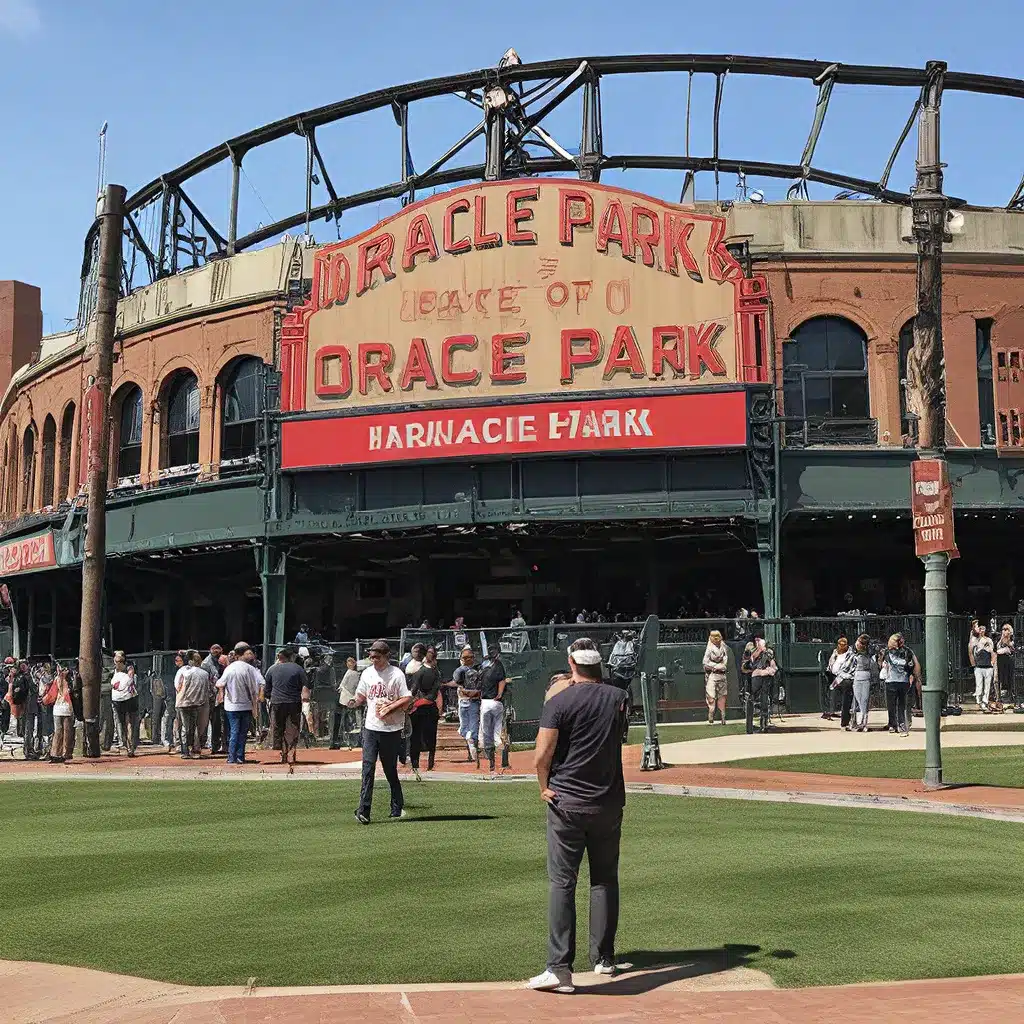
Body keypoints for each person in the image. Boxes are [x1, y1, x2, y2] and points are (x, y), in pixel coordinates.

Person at [529, 646, 627, 994]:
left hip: (567, 801)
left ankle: (559, 968)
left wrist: (543, 787)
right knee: (604, 879)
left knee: (562, 882)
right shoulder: (618, 697)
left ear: (572, 664)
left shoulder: (558, 702)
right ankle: (603, 958)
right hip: (608, 801)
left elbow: (543, 754)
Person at [348, 640, 412, 824]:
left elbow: (406, 698)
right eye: (371, 655)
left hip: (391, 729)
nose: (372, 659)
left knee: (389, 770)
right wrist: (353, 701)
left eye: (376, 656)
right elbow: (361, 695)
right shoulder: (367, 673)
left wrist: (391, 707)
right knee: (368, 768)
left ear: (386, 656)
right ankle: (364, 810)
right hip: (371, 728)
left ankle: (396, 806)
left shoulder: (396, 674)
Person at [217, 642, 263, 764]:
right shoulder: (250, 669)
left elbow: (220, 683)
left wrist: (222, 694)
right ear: (242, 655)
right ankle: (240, 756)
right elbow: (258, 685)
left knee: (234, 731)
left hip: (231, 705)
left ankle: (232, 757)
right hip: (246, 705)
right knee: (242, 733)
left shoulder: (229, 668)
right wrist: (257, 702)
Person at [264, 646, 308, 766]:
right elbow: (305, 685)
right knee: (293, 727)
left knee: (279, 727)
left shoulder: (271, 669)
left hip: (277, 702)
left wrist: (270, 697)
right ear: (291, 657)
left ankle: (283, 752)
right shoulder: (298, 669)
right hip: (294, 701)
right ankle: (291, 751)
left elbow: (267, 689)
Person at [407, 646, 441, 773]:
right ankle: (424, 764)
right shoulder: (429, 672)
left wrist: (413, 704)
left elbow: (415, 691)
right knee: (424, 737)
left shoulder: (426, 671)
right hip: (425, 708)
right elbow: (431, 694)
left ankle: (420, 764)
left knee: (420, 737)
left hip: (421, 708)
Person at [881, 634, 920, 736]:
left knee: (901, 705)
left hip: (902, 681)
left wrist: (913, 675)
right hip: (892, 680)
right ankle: (893, 724)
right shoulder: (887, 651)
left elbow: (911, 665)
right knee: (892, 704)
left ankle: (901, 725)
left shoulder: (906, 651)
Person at [175, 651, 210, 758]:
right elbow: (206, 689)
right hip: (197, 703)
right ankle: (193, 750)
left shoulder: (186, 672)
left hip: (183, 702)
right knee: (194, 727)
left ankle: (185, 751)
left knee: (185, 728)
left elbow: (178, 686)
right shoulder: (205, 674)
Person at [478, 650, 507, 773]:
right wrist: (500, 694)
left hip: (485, 703)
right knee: (498, 734)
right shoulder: (498, 665)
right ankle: (502, 764)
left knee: (486, 734)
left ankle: (491, 765)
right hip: (496, 702)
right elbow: (502, 680)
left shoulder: (482, 667)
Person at [452, 646, 481, 763]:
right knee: (471, 726)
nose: (467, 659)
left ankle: (471, 750)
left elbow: (458, 684)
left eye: (469, 657)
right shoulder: (473, 670)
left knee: (466, 727)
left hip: (466, 700)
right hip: (470, 700)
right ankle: (472, 747)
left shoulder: (462, 670)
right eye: (465, 657)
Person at [110, 651, 139, 757]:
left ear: (123, 662)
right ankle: (125, 745)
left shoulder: (129, 669)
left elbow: (129, 680)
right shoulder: (113, 671)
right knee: (121, 724)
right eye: (115, 661)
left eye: (119, 661)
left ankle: (131, 747)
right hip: (118, 700)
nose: (116, 664)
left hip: (129, 698)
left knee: (130, 723)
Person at [331, 655, 361, 749]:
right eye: (348, 662)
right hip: (344, 699)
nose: (348, 664)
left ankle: (347, 740)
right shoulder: (350, 673)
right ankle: (342, 739)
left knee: (349, 720)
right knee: (345, 720)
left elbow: (349, 687)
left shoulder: (353, 673)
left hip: (348, 699)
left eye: (350, 662)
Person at [202, 644, 225, 755]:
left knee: (216, 723)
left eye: (219, 652)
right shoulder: (206, 663)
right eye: (215, 652)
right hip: (208, 697)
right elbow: (206, 681)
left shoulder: (219, 663)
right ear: (211, 651)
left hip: (216, 697)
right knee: (205, 722)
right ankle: (203, 745)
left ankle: (215, 746)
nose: (217, 654)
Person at [850, 634, 876, 732]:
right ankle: (856, 723)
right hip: (857, 676)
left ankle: (863, 723)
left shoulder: (868, 651)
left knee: (863, 701)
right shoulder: (854, 651)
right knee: (857, 700)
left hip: (865, 676)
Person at [828, 637, 856, 730]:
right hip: (834, 678)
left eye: (844, 644)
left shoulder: (850, 655)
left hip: (846, 679)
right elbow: (830, 665)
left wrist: (840, 675)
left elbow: (848, 669)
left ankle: (845, 722)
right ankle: (831, 712)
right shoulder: (835, 653)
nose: (842, 646)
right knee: (832, 693)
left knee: (846, 700)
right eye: (840, 644)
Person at [49, 667, 75, 763]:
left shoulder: (58, 680)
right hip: (65, 708)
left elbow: (52, 694)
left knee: (58, 732)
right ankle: (64, 753)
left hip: (58, 709)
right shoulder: (67, 681)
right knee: (65, 732)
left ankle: (56, 753)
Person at [702, 629, 728, 726]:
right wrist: (716, 666)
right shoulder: (709, 648)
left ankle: (723, 715)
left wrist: (722, 665)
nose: (717, 639)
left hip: (722, 674)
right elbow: (705, 662)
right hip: (712, 675)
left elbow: (725, 660)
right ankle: (711, 713)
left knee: (722, 695)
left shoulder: (723, 646)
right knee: (711, 696)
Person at [971, 624, 996, 712]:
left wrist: (992, 662)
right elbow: (972, 652)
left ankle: (985, 701)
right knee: (979, 685)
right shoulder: (974, 641)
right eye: (980, 629)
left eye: (983, 629)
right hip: (979, 666)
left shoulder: (989, 640)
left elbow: (993, 651)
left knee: (987, 685)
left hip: (988, 666)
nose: (982, 631)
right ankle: (979, 701)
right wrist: (974, 665)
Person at [996, 623, 1015, 706]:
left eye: (1006, 629)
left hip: (1009, 661)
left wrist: (1008, 645)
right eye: (1003, 629)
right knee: (1000, 678)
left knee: (1009, 678)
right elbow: (997, 650)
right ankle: (999, 697)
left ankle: (1011, 696)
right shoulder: (999, 639)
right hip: (1000, 661)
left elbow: (1012, 650)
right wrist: (1002, 639)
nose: (1004, 631)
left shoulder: (1012, 639)